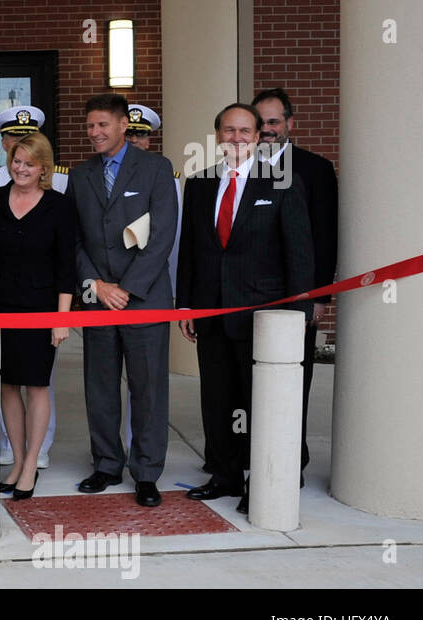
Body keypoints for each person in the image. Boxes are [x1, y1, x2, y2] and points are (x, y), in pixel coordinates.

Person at [178, 103, 314, 513]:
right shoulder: (200, 184)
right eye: (228, 130)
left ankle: (263, 481)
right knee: (217, 399)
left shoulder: (282, 182)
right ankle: (224, 475)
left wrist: (299, 313)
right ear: (217, 135)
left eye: (244, 131)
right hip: (212, 312)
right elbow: (190, 251)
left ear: (257, 137)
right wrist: (186, 305)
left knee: (261, 403)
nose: (236, 138)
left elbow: (300, 252)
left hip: (263, 315)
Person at [66, 93, 178, 508]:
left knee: (148, 389)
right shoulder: (80, 176)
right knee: (99, 387)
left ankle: (147, 473)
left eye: (102, 125)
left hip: (144, 298)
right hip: (99, 300)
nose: (94, 133)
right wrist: (96, 284)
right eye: (90, 126)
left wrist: (126, 288)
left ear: (122, 126)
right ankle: (107, 463)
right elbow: (74, 240)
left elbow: (163, 235)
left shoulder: (155, 168)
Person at [0, 133, 77, 501]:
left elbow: (65, 266)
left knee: (36, 386)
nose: (21, 168)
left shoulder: (59, 206)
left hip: (40, 311)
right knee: (7, 385)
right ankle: (17, 460)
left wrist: (62, 318)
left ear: (43, 168)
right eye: (17, 161)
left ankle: (32, 462)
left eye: (29, 163)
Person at [251, 87, 338, 482]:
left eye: (273, 122)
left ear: (289, 124)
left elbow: (325, 234)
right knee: (247, 378)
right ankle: (249, 454)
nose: (267, 130)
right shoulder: (240, 166)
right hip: (245, 294)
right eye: (261, 123)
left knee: (293, 380)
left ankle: (290, 459)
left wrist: (319, 296)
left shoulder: (315, 169)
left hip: (296, 296)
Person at [118, 103, 185, 454]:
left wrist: (140, 288)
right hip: (110, 294)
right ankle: (112, 456)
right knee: (106, 386)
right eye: (131, 134)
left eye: (142, 136)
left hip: (150, 291)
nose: (137, 141)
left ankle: (141, 452)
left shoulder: (163, 176)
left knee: (147, 384)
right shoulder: (101, 173)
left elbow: (166, 240)